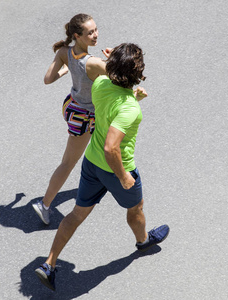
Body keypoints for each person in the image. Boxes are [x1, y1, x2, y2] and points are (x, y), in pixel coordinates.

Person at [34, 43, 170, 291]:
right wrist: (124, 177)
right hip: (115, 168)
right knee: (136, 207)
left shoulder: (100, 85)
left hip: (91, 163)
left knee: (76, 215)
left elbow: (110, 106)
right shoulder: (130, 109)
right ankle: (143, 241)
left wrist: (132, 92)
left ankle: (49, 265)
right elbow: (111, 147)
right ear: (137, 74)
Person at [32, 13, 109, 225]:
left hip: (72, 107)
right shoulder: (93, 62)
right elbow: (121, 76)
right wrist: (110, 59)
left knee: (103, 146)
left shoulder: (65, 52)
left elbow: (48, 79)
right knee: (68, 163)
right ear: (77, 35)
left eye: (95, 29)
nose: (95, 35)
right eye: (90, 32)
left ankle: (104, 180)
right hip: (86, 115)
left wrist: (67, 68)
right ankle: (44, 204)